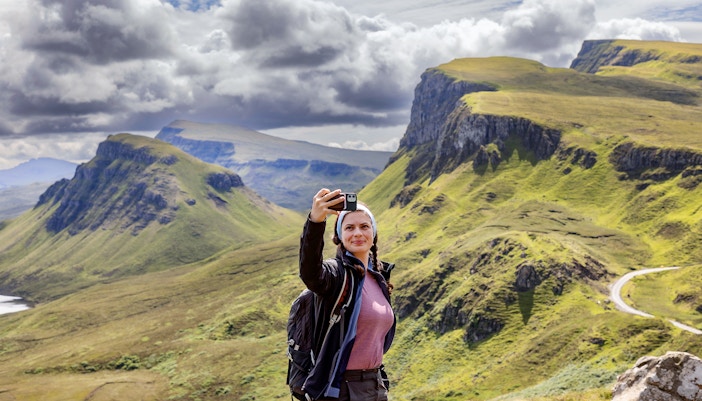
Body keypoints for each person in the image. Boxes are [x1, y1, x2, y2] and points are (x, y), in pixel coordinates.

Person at [298, 188, 396, 401]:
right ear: (340, 236)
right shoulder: (336, 274)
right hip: (340, 389)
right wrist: (316, 221)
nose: (358, 233)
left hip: (375, 384)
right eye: (349, 227)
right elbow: (310, 273)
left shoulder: (378, 276)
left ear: (373, 233)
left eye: (364, 226)